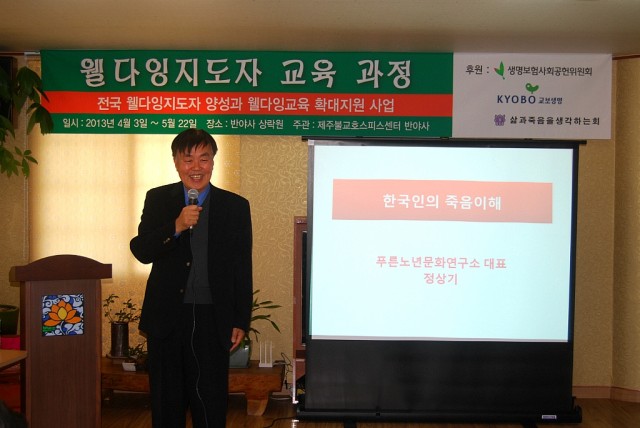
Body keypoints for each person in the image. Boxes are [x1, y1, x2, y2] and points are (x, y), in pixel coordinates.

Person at [130, 129, 253, 428]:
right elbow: (141, 250)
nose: (196, 167)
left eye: (204, 159)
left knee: (210, 403)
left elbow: (241, 266)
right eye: (188, 159)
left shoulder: (235, 206)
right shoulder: (159, 199)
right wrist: (175, 226)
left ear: (213, 162)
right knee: (166, 404)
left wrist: (240, 319)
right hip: (167, 318)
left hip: (213, 318)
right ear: (175, 162)